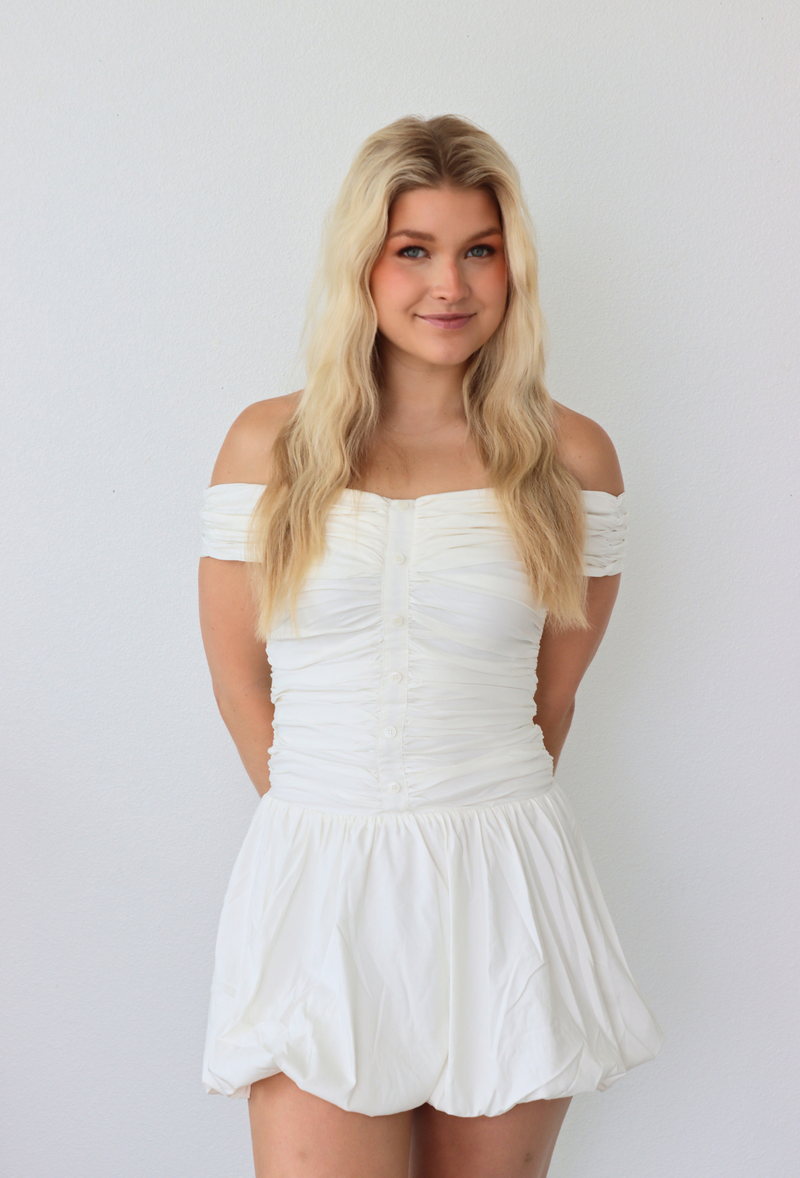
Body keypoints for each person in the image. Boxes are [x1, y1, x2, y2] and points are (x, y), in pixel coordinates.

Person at [198, 114, 664, 1178]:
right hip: (320, 879)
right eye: (413, 249)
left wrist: (460, 816)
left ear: (512, 269)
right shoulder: (267, 446)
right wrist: (338, 817)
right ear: (361, 263)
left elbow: (552, 700)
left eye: (478, 250)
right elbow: (238, 681)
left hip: (505, 880)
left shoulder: (573, 459)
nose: (448, 285)